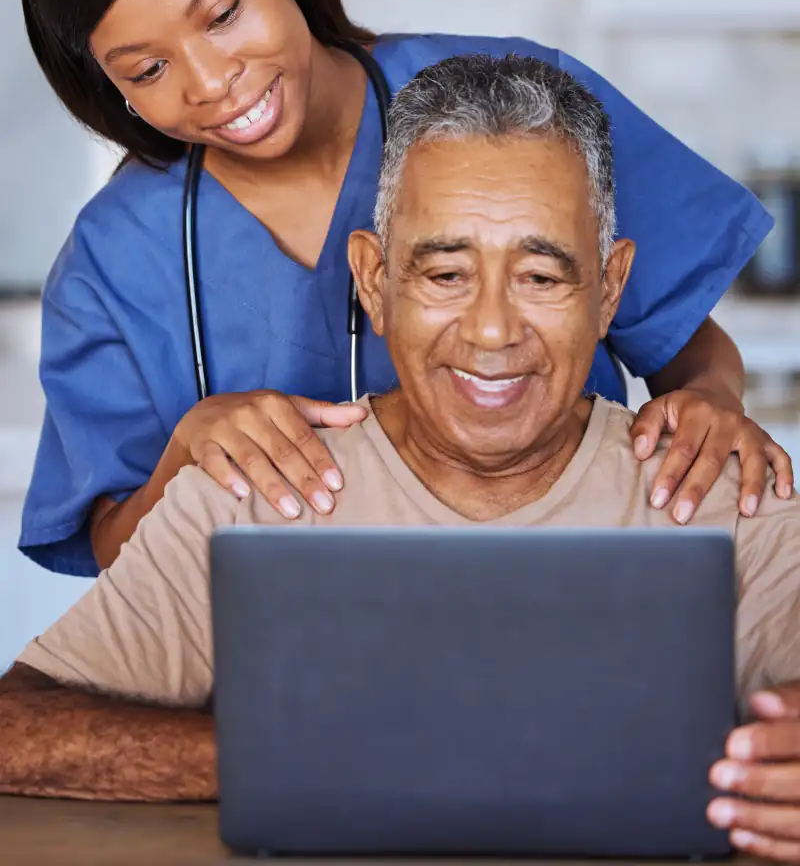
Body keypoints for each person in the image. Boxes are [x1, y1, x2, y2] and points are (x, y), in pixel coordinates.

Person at [2, 54, 800, 859]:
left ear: (611, 289)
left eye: (540, 276)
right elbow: (16, 730)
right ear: (374, 282)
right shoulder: (253, 494)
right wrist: (300, 762)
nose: (492, 331)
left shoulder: (720, 490)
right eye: (446, 273)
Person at [17, 0, 792, 579]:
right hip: (283, 664)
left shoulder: (521, 108)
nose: (211, 82)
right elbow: (111, 546)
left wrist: (712, 401)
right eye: (146, 71)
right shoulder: (111, 257)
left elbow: (686, 346)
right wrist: (182, 460)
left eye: (222, 15)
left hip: (568, 598)